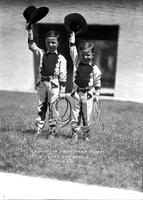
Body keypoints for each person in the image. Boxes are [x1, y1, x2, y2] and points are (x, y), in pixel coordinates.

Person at [25, 23, 67, 136]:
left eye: (53, 42)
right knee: (41, 106)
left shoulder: (61, 58)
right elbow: (31, 46)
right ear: (45, 42)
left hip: (54, 86)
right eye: (48, 42)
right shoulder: (41, 53)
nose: (51, 44)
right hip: (42, 84)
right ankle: (38, 129)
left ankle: (52, 131)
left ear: (58, 42)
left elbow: (63, 76)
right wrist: (30, 31)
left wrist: (62, 91)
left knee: (53, 107)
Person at [69, 32, 101, 141]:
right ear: (79, 55)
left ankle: (86, 135)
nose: (85, 57)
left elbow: (97, 84)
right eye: (83, 55)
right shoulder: (76, 62)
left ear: (93, 55)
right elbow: (72, 49)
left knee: (87, 115)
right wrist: (72, 39)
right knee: (75, 114)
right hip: (76, 94)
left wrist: (97, 95)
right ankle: (75, 134)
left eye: (88, 54)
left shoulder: (95, 69)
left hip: (88, 95)